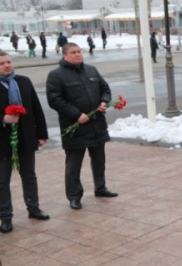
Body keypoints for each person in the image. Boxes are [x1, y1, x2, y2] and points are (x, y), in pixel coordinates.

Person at [46, 43, 118, 210]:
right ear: (65, 55)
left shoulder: (91, 70)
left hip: (96, 124)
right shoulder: (56, 75)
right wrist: (76, 114)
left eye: (79, 52)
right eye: (73, 52)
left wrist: (104, 102)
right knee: (73, 164)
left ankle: (100, 187)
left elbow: (105, 89)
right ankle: (74, 196)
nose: (78, 55)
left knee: (99, 159)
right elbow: (55, 100)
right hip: (75, 127)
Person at [0, 51, 50, 233]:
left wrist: (41, 134)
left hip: (26, 139)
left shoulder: (24, 81)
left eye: (8, 62)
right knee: (2, 182)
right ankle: (5, 217)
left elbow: (36, 108)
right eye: (2, 63)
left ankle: (34, 208)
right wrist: (3, 120)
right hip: (2, 143)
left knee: (29, 176)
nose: (7, 65)